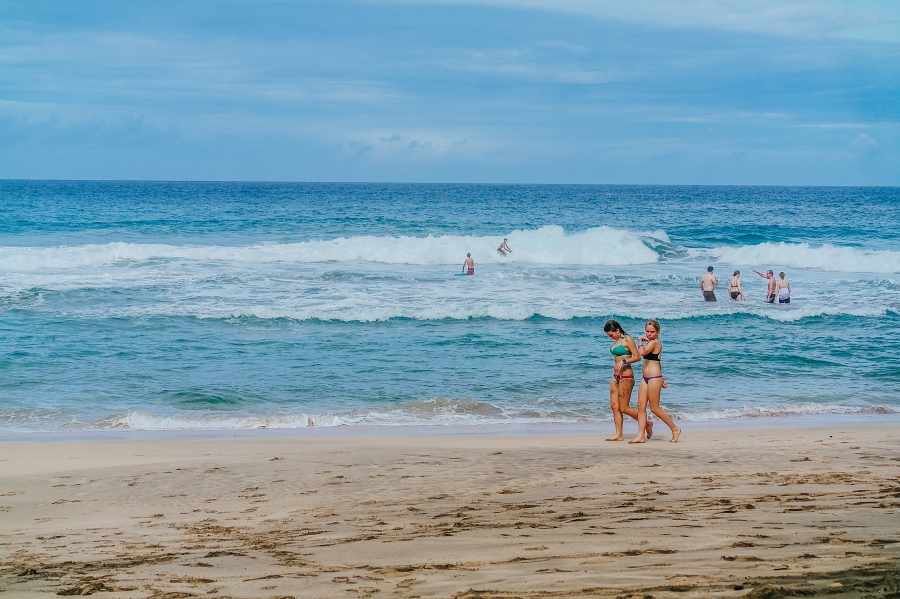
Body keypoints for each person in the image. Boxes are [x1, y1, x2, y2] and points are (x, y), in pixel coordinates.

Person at [630, 320, 681, 444]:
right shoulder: (650, 343)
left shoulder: (655, 342)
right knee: (641, 407)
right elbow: (658, 361)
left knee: (654, 408)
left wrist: (640, 342)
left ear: (658, 333)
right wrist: (662, 379)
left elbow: (642, 353)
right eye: (647, 331)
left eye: (652, 332)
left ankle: (675, 429)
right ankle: (640, 436)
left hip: (654, 378)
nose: (649, 334)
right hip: (646, 378)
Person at [604, 320, 652, 441]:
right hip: (615, 377)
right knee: (614, 406)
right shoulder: (617, 342)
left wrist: (624, 361)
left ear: (617, 330)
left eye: (611, 335)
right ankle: (619, 434)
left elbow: (637, 357)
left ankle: (647, 423)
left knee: (624, 407)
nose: (610, 337)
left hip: (626, 377)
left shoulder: (627, 339)